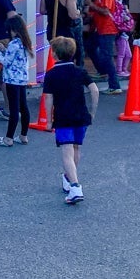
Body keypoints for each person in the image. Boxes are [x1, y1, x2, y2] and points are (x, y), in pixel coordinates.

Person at [42, 36, 100, 206]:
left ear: (54, 54)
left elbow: (48, 98)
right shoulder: (80, 71)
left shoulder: (51, 74)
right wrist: (92, 112)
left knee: (66, 151)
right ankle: (68, 178)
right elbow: (95, 90)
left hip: (63, 117)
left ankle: (75, 187)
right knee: (76, 148)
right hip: (81, 115)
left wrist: (49, 120)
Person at [0, 15, 34, 147]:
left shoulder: (13, 44)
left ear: (14, 29)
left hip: (12, 80)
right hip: (22, 79)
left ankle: (8, 138)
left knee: (14, 109)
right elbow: (15, 58)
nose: (8, 32)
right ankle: (23, 136)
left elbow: (6, 62)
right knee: (23, 107)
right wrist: (3, 50)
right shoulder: (24, 42)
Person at [83, 0, 123, 94]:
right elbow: (93, 13)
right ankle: (102, 71)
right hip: (100, 30)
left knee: (107, 56)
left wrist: (91, 5)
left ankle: (115, 86)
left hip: (108, 30)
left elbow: (106, 12)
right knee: (90, 47)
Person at [40, 0, 82, 65]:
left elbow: (42, 10)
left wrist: (53, 11)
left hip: (51, 30)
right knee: (67, 58)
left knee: (56, 56)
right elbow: (72, 15)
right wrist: (78, 12)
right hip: (65, 31)